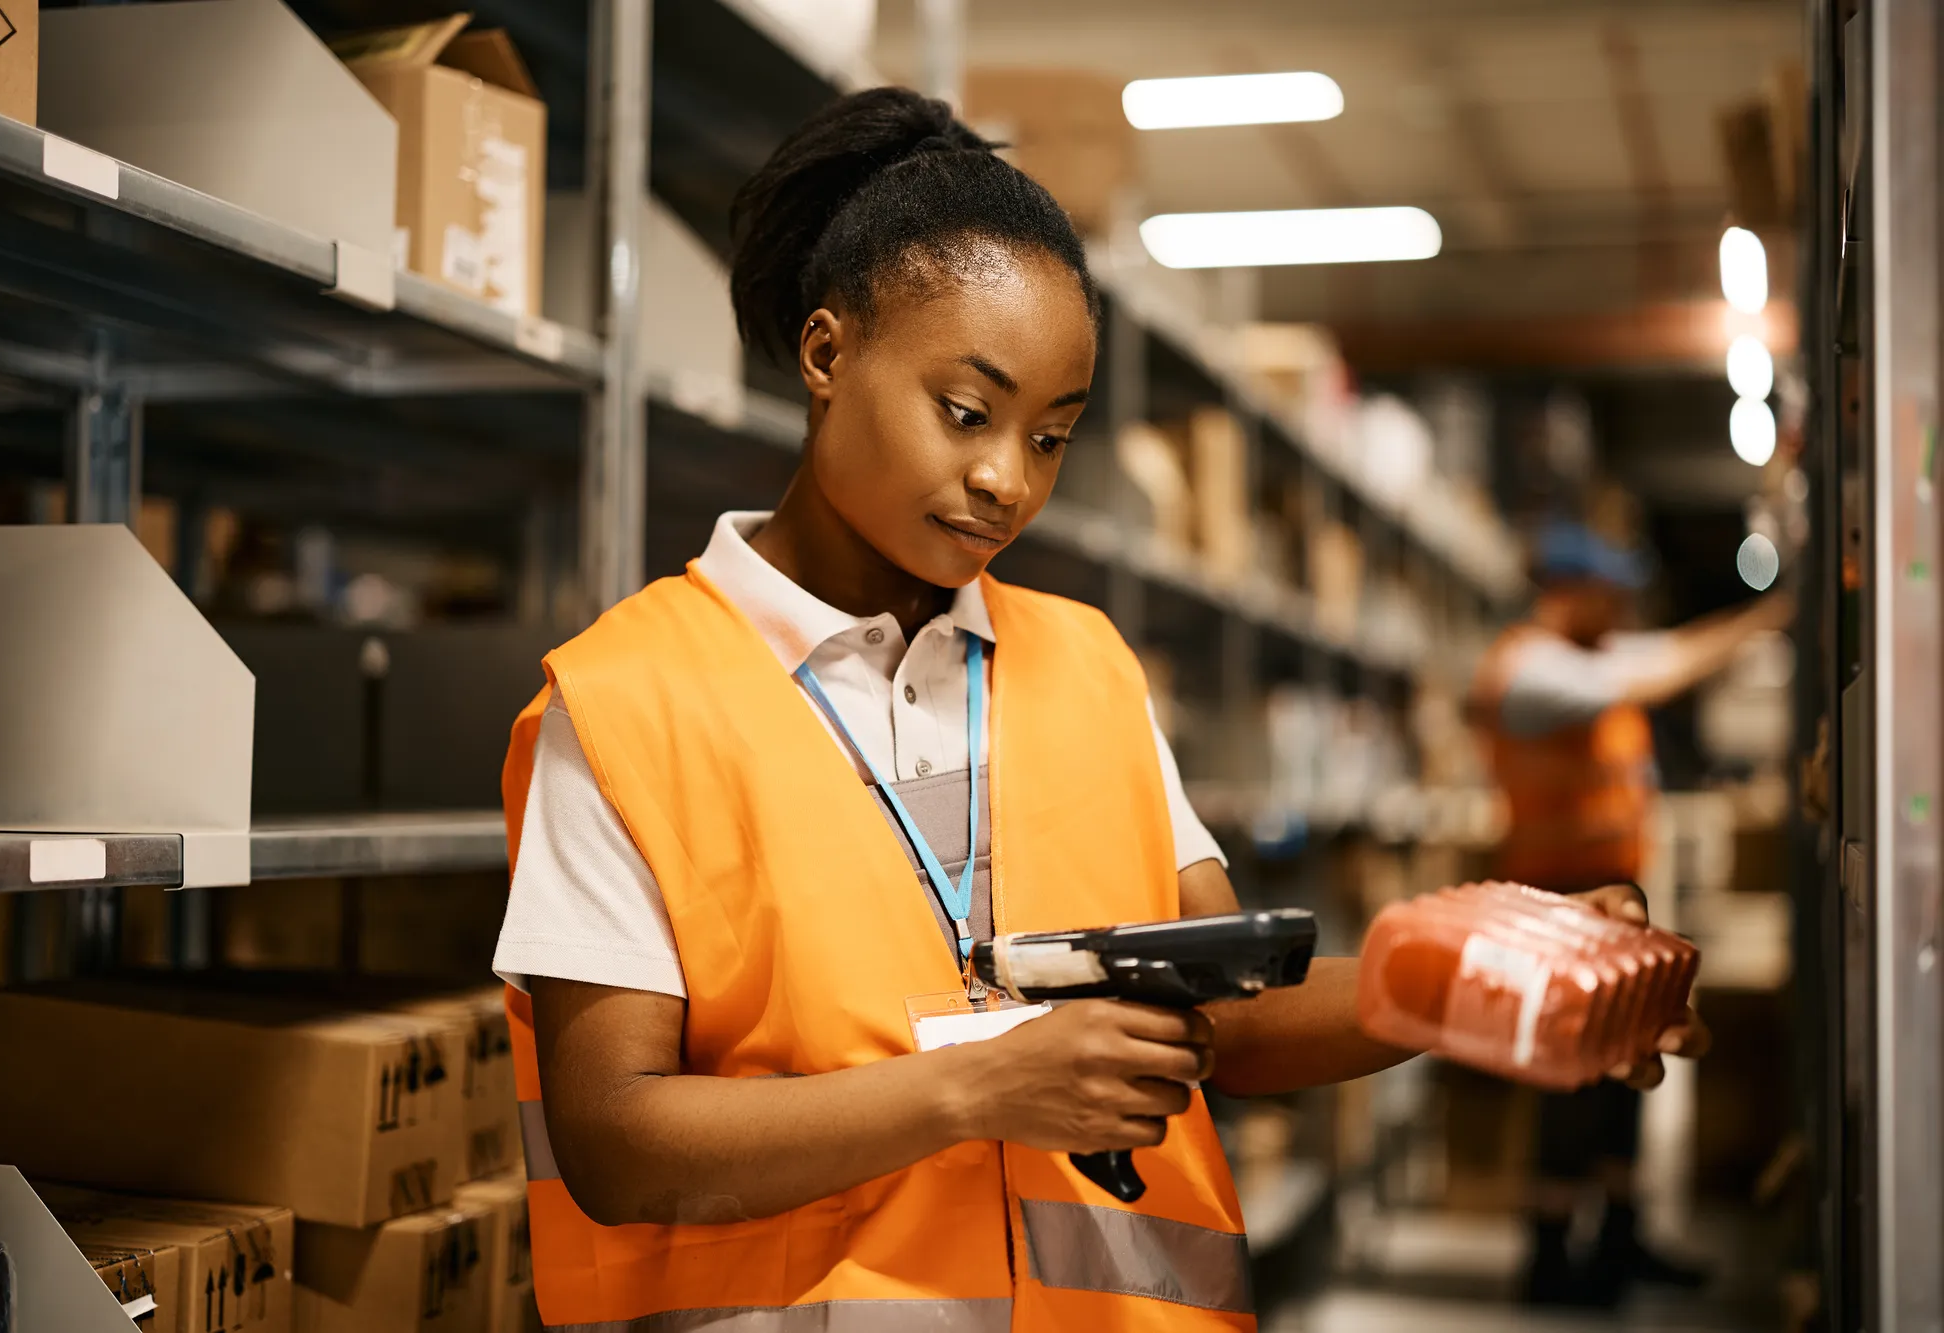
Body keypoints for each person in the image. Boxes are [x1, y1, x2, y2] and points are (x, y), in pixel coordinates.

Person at [492, 89, 1703, 1332]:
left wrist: (1489, 966)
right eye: (966, 413)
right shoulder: (629, 697)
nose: (1005, 481)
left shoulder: (1082, 664)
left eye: (1052, 437)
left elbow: (1234, 1019)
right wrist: (975, 1088)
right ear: (825, 354)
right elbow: (616, 1136)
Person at [1469, 520, 1786, 1307]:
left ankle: (1617, 1238)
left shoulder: (1583, 654)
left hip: (1607, 898)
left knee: (1618, 1075)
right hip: (1556, 902)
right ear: (1566, 592)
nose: (1623, 606)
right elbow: (1661, 672)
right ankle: (1549, 1260)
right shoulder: (1530, 671)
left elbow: (1669, 648)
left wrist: (1767, 616)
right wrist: (1769, 618)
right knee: (1568, 1080)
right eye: (1609, 592)